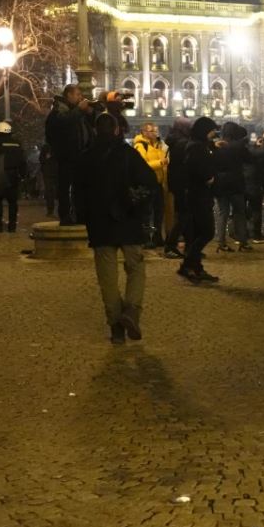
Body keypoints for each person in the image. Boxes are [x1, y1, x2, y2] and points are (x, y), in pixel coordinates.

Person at [77, 112, 160, 344]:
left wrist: (85, 218)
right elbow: (150, 182)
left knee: (107, 278)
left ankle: (116, 326)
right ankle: (131, 311)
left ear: (95, 131)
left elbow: (79, 194)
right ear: (116, 130)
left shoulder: (86, 157)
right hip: (129, 219)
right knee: (136, 268)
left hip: (100, 224)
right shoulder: (128, 154)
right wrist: (140, 207)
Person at [175, 117, 220, 283]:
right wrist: (210, 178)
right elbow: (199, 168)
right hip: (199, 194)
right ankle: (188, 265)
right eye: (212, 130)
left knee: (198, 233)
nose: (214, 133)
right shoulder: (196, 148)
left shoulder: (197, 145)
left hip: (197, 194)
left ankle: (195, 267)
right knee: (207, 231)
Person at [45, 85, 94, 225]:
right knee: (64, 187)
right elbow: (64, 123)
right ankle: (65, 216)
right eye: (77, 94)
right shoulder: (59, 111)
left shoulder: (75, 112)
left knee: (80, 187)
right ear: (69, 95)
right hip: (65, 156)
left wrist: (89, 113)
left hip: (79, 155)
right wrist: (79, 110)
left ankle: (79, 215)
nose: (80, 97)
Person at [212, 121, 253, 253]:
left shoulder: (217, 146)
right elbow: (250, 159)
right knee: (239, 213)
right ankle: (243, 242)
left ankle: (221, 242)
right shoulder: (238, 146)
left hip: (220, 183)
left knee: (222, 213)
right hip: (236, 182)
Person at [133, 122, 170, 248]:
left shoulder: (158, 145)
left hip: (158, 183)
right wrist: (161, 162)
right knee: (147, 213)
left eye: (156, 131)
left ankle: (157, 237)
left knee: (159, 211)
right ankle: (146, 238)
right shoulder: (140, 145)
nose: (155, 133)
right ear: (144, 132)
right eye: (152, 131)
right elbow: (143, 164)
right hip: (147, 183)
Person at [0, 121, 27, 233]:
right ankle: (12, 226)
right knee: (13, 202)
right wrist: (23, 175)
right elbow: (22, 160)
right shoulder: (17, 143)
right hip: (14, 175)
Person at [162, 118, 193, 258]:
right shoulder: (183, 143)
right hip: (183, 184)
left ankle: (189, 246)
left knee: (184, 215)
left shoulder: (174, 141)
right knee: (184, 216)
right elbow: (186, 164)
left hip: (177, 183)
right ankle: (170, 244)